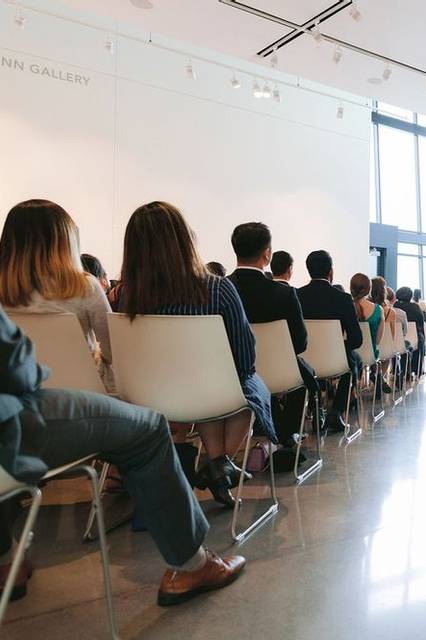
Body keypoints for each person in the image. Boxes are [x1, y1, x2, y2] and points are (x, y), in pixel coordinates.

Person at [0, 305, 245, 606]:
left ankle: (6, 560)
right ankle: (191, 565)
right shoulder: (85, 288)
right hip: (11, 424)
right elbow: (15, 365)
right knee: (150, 428)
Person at [115, 201, 274, 508]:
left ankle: (217, 464)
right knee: (244, 392)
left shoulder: (125, 295)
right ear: (185, 239)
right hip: (204, 394)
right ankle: (219, 464)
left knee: (205, 393)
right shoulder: (218, 289)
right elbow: (244, 361)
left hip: (148, 396)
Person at [0, 200, 116, 394]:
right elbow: (114, 351)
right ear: (66, 241)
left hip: (15, 395)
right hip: (81, 397)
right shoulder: (85, 286)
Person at [226, 223, 316, 452]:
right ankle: (284, 437)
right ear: (267, 254)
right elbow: (300, 342)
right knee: (302, 379)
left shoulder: (222, 289)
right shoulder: (284, 293)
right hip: (279, 372)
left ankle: (265, 436)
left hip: (229, 374)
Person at [297, 250, 362, 432]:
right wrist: (338, 348)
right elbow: (356, 339)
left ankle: (315, 408)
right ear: (330, 272)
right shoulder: (342, 298)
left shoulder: (297, 296)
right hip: (334, 361)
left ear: (308, 270)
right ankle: (337, 412)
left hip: (303, 360)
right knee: (351, 364)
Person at [350, 273, 383, 361]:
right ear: (369, 290)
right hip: (371, 355)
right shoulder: (378, 309)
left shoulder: (345, 307)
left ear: (351, 288)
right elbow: (377, 341)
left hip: (349, 357)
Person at [395, 287, 426, 376]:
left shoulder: (394, 307)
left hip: (397, 339)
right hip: (415, 338)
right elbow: (421, 323)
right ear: (410, 296)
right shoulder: (415, 307)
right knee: (420, 338)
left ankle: (399, 370)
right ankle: (417, 369)